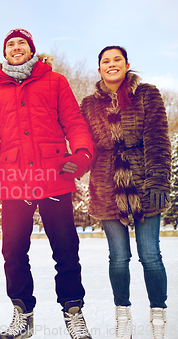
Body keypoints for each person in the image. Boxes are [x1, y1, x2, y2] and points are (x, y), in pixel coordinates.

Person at [0, 28, 94, 339]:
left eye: (22, 43)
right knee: (13, 251)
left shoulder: (55, 81)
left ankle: (73, 312)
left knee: (65, 249)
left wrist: (83, 152)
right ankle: (22, 313)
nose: (16, 47)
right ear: (4, 53)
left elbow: (73, 120)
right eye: (11, 44)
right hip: (14, 179)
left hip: (55, 175)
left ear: (31, 49)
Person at [80, 46, 171, 339]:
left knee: (151, 255)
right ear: (99, 70)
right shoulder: (89, 104)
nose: (111, 64)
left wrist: (159, 180)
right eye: (105, 61)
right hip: (107, 185)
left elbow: (158, 138)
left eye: (116, 59)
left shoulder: (147, 94)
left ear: (127, 64)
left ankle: (158, 317)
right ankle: (123, 317)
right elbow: (85, 146)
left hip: (145, 181)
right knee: (118, 257)